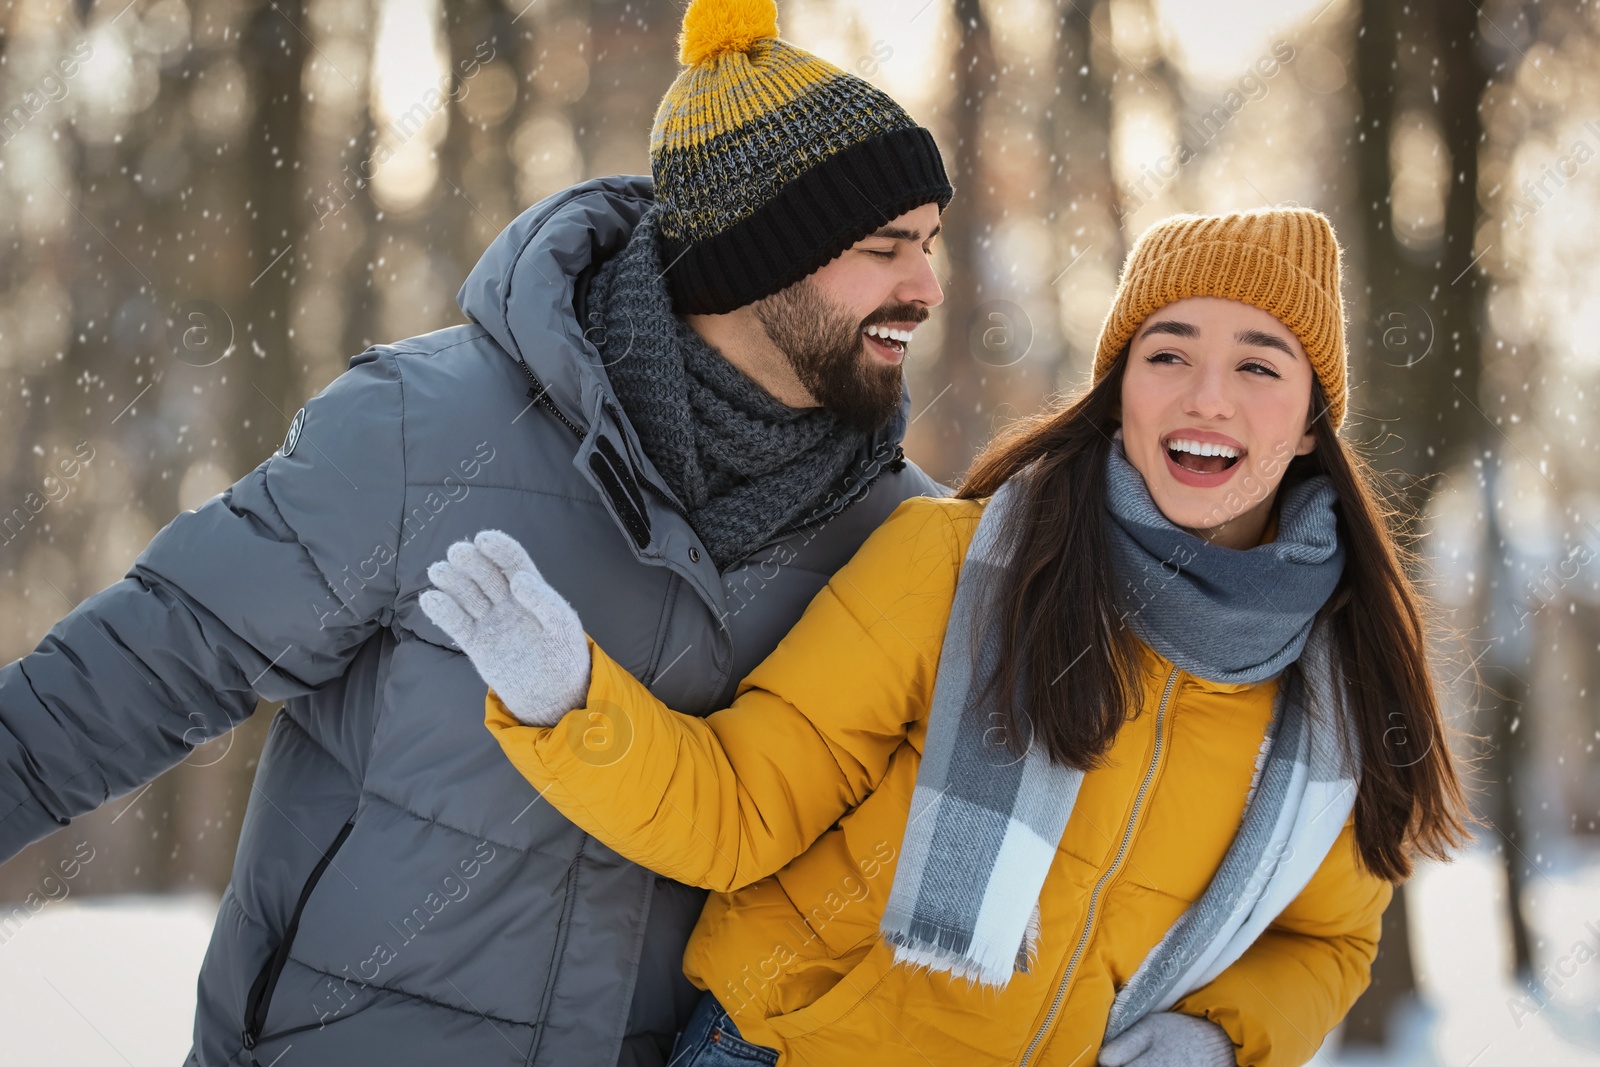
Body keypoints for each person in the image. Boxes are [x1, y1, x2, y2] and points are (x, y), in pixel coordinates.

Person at [0, 0, 954, 1062]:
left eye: (929, 245)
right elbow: (153, 662)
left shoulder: (895, 538)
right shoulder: (433, 426)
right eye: (886, 248)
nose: (927, 287)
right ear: (751, 256)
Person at [423, 208, 1474, 1066]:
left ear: (1307, 421)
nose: (1206, 396)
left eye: (1259, 365)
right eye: (1168, 353)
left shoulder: (1340, 679)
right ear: (1119, 395)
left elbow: (1329, 938)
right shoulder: (954, 568)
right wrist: (565, 697)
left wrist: (1219, 1035)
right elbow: (738, 808)